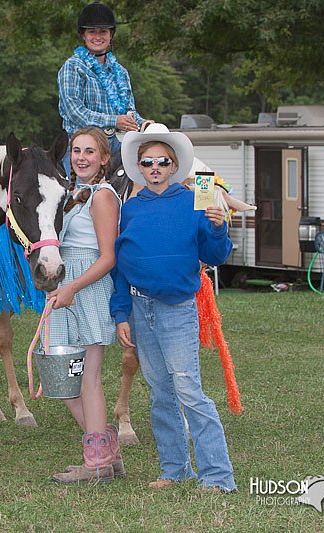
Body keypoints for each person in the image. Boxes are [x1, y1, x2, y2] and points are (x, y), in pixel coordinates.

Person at [110, 123, 237, 493]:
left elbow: (214, 255)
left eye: (162, 162)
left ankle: (218, 476)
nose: (155, 168)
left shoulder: (196, 202)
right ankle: (175, 468)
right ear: (138, 167)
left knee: (188, 390)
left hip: (178, 309)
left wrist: (216, 230)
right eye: (147, 162)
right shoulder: (129, 210)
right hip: (139, 308)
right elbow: (120, 267)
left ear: (174, 165)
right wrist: (121, 313)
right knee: (160, 391)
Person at [49, 127, 123, 484]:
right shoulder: (75, 193)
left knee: (87, 379)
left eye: (90, 151)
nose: (81, 157)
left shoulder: (103, 196)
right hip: (65, 288)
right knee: (61, 378)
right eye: (76, 150)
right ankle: (106, 450)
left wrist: (73, 287)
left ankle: (96, 463)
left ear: (104, 158)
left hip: (87, 288)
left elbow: (108, 256)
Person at [58, 1, 151, 175]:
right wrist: (114, 120)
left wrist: (143, 123)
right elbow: (74, 111)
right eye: (92, 31)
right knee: (80, 197)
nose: (98, 37)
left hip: (113, 145)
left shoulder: (120, 72)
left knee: (143, 173)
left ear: (111, 35)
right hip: (81, 147)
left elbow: (129, 112)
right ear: (83, 35)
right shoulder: (73, 67)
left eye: (103, 32)